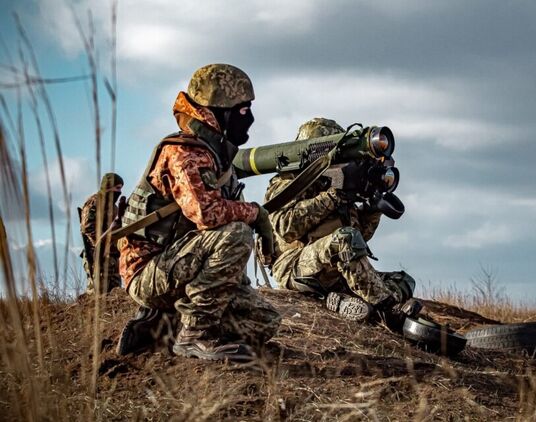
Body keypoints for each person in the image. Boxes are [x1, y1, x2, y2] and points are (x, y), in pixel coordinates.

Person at [116, 64, 280, 362]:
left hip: (181, 265)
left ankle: (165, 323)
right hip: (149, 271)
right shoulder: (184, 153)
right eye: (243, 111)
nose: (250, 119)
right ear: (219, 112)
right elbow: (208, 215)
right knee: (237, 233)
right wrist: (256, 213)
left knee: (264, 322)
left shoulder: (215, 155)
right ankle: (195, 334)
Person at [264, 117, 421, 331]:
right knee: (345, 239)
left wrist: (373, 208)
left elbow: (360, 238)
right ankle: (388, 310)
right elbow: (286, 228)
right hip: (295, 266)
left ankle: (346, 302)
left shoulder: (336, 181)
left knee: (405, 281)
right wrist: (334, 196)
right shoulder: (288, 181)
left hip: (334, 272)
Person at [79, 172, 123, 293]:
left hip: (112, 256)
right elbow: (87, 227)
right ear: (109, 187)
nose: (119, 192)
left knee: (114, 294)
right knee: (98, 294)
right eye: (117, 188)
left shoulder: (114, 207)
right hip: (97, 255)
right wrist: (102, 245)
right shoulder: (95, 202)